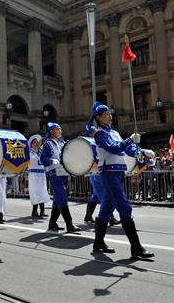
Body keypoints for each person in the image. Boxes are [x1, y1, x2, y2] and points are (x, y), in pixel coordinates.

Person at [87, 101, 154, 259]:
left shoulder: (114, 132)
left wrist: (142, 151)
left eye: (110, 113)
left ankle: (98, 243)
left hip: (117, 173)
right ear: (98, 117)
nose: (110, 116)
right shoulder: (99, 133)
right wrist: (130, 139)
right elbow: (115, 147)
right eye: (106, 114)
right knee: (124, 207)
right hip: (108, 172)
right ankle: (136, 247)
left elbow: (127, 149)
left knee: (107, 208)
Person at [40, 123, 80, 233]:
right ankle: (69, 224)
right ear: (51, 131)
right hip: (53, 172)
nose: (60, 130)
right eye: (58, 129)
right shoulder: (48, 144)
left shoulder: (62, 143)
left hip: (63, 172)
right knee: (62, 194)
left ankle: (52, 223)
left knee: (58, 199)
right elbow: (43, 159)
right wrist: (51, 161)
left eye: (61, 129)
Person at [27, 134, 50, 218]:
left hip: (42, 174)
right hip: (33, 174)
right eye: (35, 142)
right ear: (31, 144)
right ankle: (34, 211)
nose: (36, 144)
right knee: (35, 192)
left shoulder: (41, 152)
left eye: (38, 142)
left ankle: (42, 211)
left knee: (42, 191)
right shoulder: (29, 152)